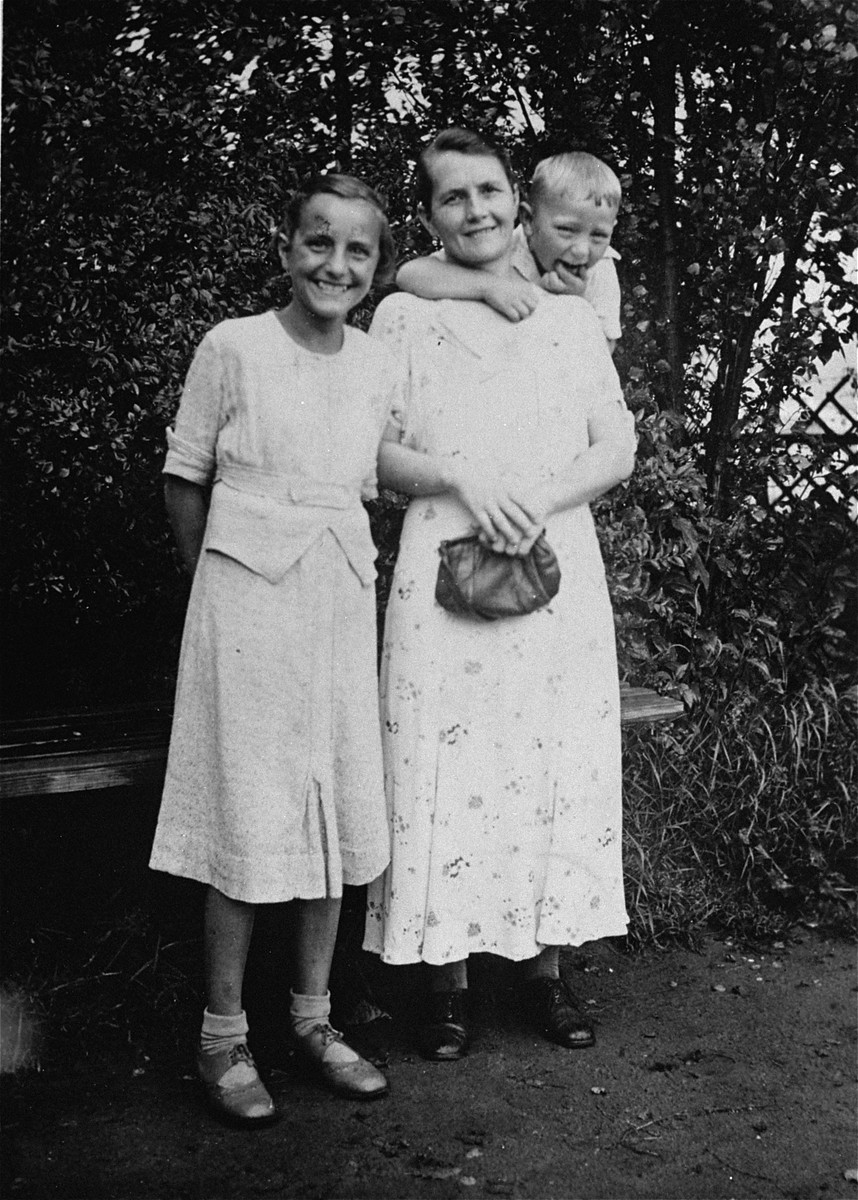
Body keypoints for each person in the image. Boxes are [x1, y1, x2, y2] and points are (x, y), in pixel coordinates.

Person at [363, 128, 636, 1062]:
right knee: (447, 759)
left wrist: (543, 500)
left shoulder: (571, 311)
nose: (474, 211)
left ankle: (545, 971)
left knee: (552, 756)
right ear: (430, 214)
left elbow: (616, 446)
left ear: (517, 198)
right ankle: (445, 983)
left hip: (556, 556)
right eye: (452, 198)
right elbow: (376, 447)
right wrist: (465, 482)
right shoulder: (405, 314)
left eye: (488, 191)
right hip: (445, 549)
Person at [149, 173, 400, 1125]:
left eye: (357, 251)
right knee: (249, 810)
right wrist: (219, 588)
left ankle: (312, 1019)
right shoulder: (235, 348)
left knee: (330, 805)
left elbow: (378, 472)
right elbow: (185, 480)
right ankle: (221, 1037)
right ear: (285, 247)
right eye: (318, 243)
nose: (335, 265)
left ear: (376, 267)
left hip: (337, 599)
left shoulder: (377, 362)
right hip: (245, 608)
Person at [397, 149, 623, 352]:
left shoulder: (601, 267)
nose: (582, 251)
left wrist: (572, 305)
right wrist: (487, 286)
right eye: (566, 230)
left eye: (599, 236)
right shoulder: (505, 246)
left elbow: (602, 355)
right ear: (528, 221)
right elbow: (409, 274)